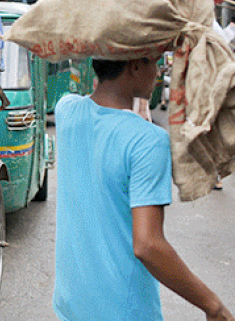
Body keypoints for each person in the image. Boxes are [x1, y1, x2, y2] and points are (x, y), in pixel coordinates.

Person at [53, 58, 234, 321]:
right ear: (135, 66)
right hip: (124, 312)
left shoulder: (66, 110)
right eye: (154, 63)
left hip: (71, 306)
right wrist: (213, 306)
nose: (158, 72)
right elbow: (148, 245)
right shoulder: (147, 141)